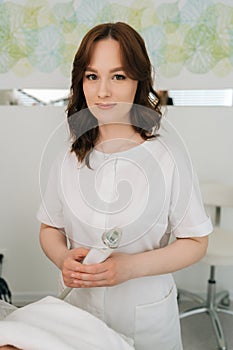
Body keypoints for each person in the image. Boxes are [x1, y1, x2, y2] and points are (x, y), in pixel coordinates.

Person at [37, 22, 212, 350]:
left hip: (145, 320)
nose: (102, 91)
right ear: (81, 82)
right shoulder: (68, 155)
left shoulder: (167, 157)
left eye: (117, 76)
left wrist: (129, 267)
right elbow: (49, 227)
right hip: (79, 314)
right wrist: (62, 258)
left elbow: (196, 241)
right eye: (92, 76)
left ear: (138, 82)